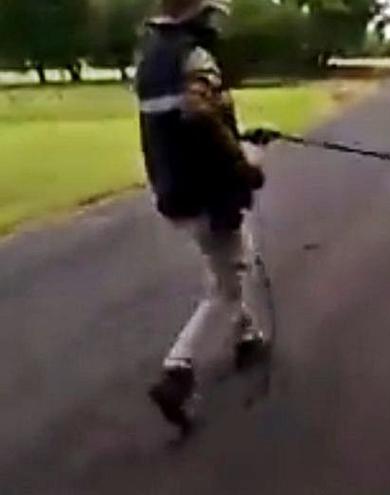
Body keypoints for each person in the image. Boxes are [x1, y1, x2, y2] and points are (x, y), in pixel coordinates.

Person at [135, 0, 267, 433]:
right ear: (196, 17)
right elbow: (197, 112)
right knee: (225, 285)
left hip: (175, 189)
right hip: (209, 191)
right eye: (208, 14)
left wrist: (237, 135)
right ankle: (177, 371)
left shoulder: (151, 59)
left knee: (229, 262)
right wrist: (242, 162)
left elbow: (178, 124)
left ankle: (246, 338)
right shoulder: (195, 56)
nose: (214, 22)